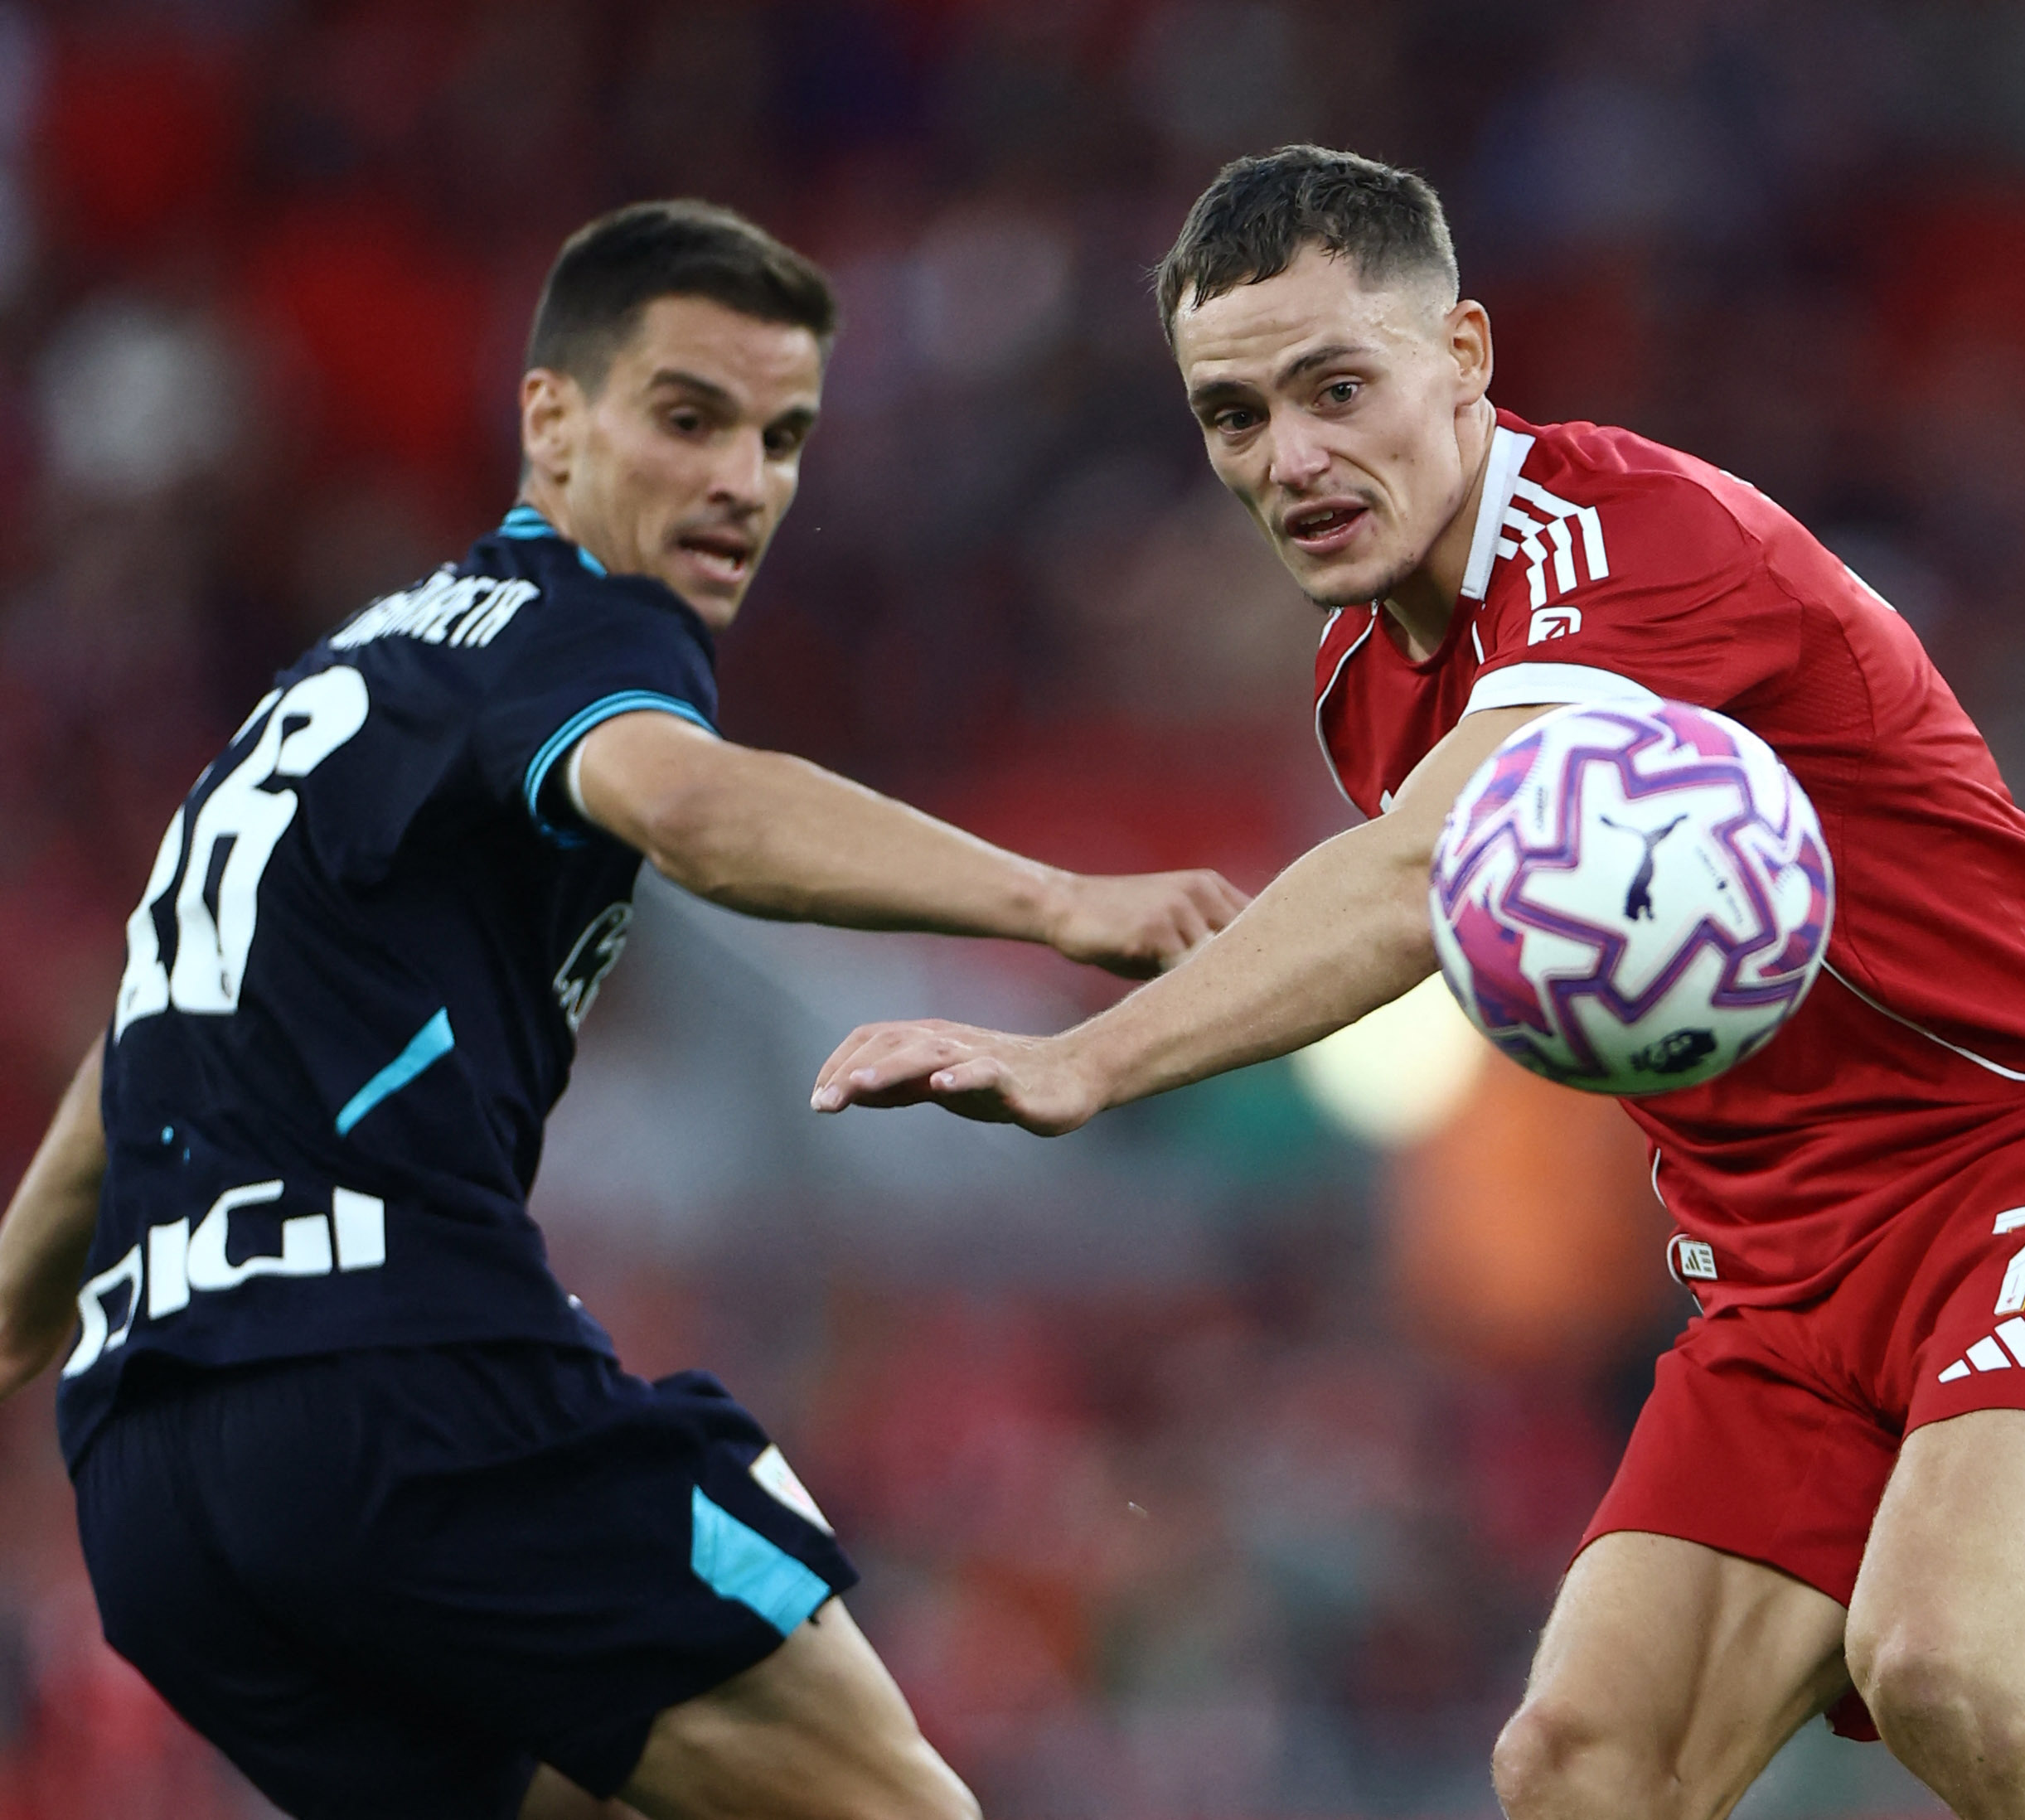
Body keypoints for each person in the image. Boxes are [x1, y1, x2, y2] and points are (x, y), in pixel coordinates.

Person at [811, 148, 2025, 1820]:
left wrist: (1091, 1063)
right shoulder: (1371, 680)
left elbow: (1421, 878)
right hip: (1785, 1275)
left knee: (1946, 1664)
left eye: (1337, 388)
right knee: (1580, 1766)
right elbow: (1738, 915)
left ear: (1467, 356)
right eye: (1235, 416)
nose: (1292, 460)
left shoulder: (1626, 540)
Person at [0, 198, 1248, 1820]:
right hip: (395, 1383)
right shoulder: (569, 622)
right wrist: (1063, 903)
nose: (743, 480)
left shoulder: (320, 698)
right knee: (893, 1803)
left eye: (782, 436)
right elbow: (695, 810)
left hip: (158, 1493)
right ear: (549, 420)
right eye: (688, 415)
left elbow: (126, 1081)